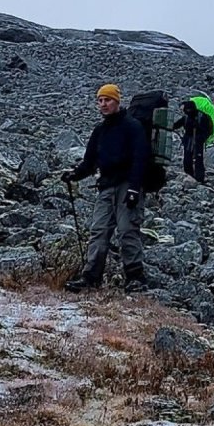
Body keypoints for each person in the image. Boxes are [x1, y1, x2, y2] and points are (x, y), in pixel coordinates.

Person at [61, 83, 151, 292]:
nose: (103, 104)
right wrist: (75, 175)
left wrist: (134, 189)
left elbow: (140, 159)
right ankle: (91, 278)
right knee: (99, 230)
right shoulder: (100, 130)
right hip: (106, 185)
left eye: (107, 100)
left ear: (117, 101)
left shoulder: (132, 126)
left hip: (127, 183)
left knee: (127, 229)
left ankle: (136, 277)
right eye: (100, 100)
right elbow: (90, 161)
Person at [177, 94, 214, 184]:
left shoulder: (202, 117)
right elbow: (176, 125)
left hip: (198, 140)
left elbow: (209, 129)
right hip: (188, 139)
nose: (188, 112)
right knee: (187, 159)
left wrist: (202, 136)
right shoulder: (186, 117)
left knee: (198, 159)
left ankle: (199, 178)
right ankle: (189, 175)